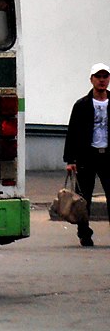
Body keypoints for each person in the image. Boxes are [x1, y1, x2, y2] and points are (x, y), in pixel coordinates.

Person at [65, 62, 110, 247]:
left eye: (105, 77)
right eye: (98, 77)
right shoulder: (82, 104)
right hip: (87, 156)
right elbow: (72, 132)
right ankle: (84, 233)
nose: (102, 80)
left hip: (108, 156)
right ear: (91, 79)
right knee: (84, 199)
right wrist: (70, 159)